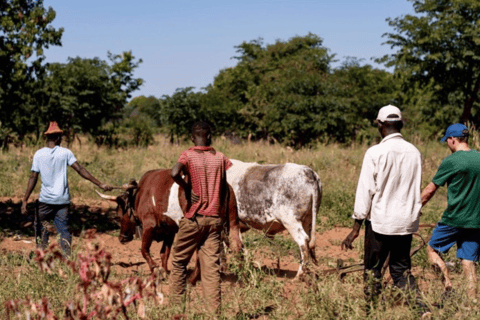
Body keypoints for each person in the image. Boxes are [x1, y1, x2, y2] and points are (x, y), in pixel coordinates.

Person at [341, 105, 428, 315]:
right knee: (400, 270)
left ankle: (371, 313)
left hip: (380, 223)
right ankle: (422, 309)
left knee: (373, 271)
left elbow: (365, 191)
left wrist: (355, 229)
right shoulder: (414, 152)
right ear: (400, 125)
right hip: (405, 223)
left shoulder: (375, 152)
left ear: (380, 126)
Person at [21, 121, 113, 256]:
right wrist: (100, 184)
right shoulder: (65, 153)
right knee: (63, 230)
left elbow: (33, 178)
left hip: (44, 201)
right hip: (62, 202)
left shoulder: (38, 154)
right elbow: (80, 169)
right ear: (58, 137)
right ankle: (67, 260)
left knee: (42, 229)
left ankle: (41, 258)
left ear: (47, 137)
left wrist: (25, 200)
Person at [169, 121, 232, 314]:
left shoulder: (187, 156)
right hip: (214, 220)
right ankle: (214, 315)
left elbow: (174, 172)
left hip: (194, 219)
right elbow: (225, 188)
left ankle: (177, 312)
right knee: (211, 270)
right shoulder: (221, 158)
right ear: (210, 137)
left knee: (178, 261)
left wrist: (186, 187)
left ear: (191, 138)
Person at [421, 123, 480, 303]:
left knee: (431, 249)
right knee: (468, 262)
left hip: (454, 219)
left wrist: (414, 209)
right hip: (476, 220)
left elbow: (430, 191)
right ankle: (472, 305)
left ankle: (448, 286)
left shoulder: (451, 160)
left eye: (447, 140)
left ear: (452, 139)